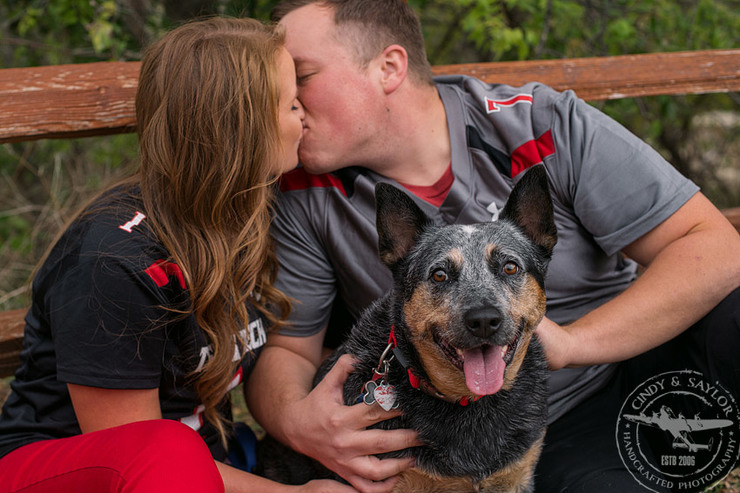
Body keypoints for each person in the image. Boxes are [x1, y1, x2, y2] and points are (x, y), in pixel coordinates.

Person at [245, 1, 740, 492]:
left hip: (640, 358)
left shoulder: (542, 124)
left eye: (301, 77)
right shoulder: (304, 193)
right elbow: (288, 350)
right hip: (550, 425)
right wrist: (297, 423)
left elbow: (717, 247)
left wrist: (573, 344)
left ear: (388, 67)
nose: (284, 104)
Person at [0, 16, 356, 493]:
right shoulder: (114, 261)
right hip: (62, 472)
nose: (303, 116)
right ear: (241, 128)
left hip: (207, 467)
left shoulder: (249, 219)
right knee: (167, 449)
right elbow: (136, 459)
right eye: (291, 103)